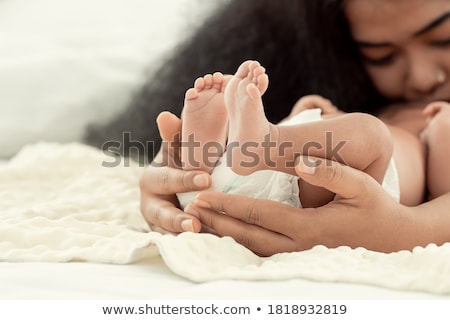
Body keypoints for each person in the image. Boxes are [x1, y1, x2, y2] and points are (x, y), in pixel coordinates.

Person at [92, 0, 450, 256]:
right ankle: (204, 160)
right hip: (279, 171)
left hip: (362, 188)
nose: (422, 79)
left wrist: (405, 230)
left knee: (371, 134)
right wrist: (166, 182)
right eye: (381, 56)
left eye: (444, 38)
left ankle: (251, 143)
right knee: (348, 133)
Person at [177, 59, 402, 210]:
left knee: (375, 135)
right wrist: (302, 114)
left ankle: (204, 163)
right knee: (361, 136)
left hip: (332, 178)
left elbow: (439, 201)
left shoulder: (434, 122)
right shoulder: (419, 120)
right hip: (279, 163)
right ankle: (228, 155)